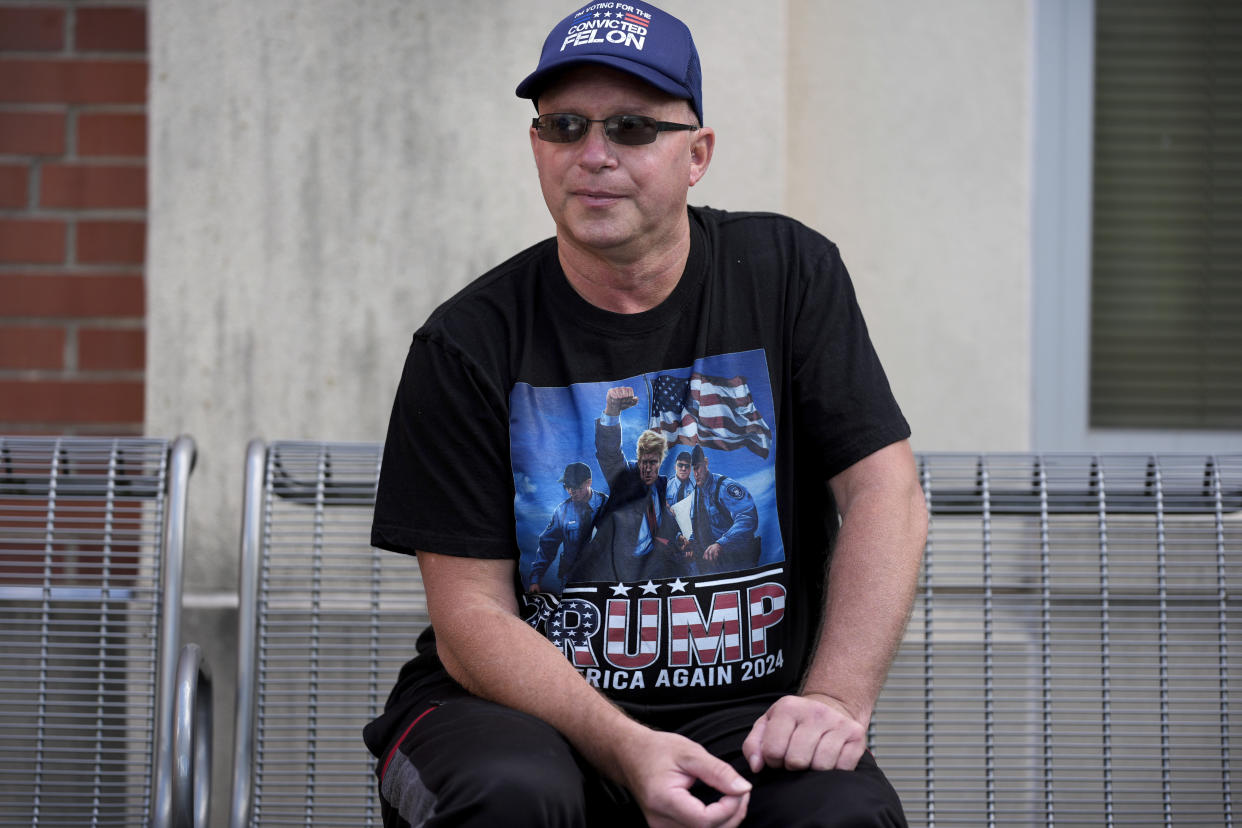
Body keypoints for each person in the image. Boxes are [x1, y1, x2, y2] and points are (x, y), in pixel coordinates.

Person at [365, 3, 928, 827]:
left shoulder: (786, 275)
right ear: (536, 147)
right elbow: (470, 618)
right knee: (513, 796)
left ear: (696, 154)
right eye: (564, 126)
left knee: (837, 814)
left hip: (744, 707)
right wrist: (625, 746)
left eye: (632, 128)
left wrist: (834, 697)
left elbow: (886, 493)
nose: (594, 156)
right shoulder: (468, 342)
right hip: (516, 711)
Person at [529, 461, 607, 593]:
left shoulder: (607, 505)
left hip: (603, 578)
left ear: (588, 482)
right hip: (571, 579)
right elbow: (547, 546)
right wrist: (535, 579)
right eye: (567, 486)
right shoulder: (562, 511)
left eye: (576, 487)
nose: (571, 491)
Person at [686, 445, 758, 574]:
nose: (696, 474)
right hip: (711, 565)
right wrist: (691, 543)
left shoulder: (725, 487)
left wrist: (721, 543)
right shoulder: (696, 493)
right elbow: (699, 526)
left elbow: (747, 518)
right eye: (693, 469)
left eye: (698, 468)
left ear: (706, 463)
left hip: (736, 562)